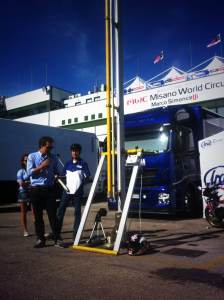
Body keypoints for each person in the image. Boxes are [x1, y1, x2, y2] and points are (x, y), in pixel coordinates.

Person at [27, 136, 62, 248]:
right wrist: (42, 166)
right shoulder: (32, 156)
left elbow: (57, 171)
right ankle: (40, 239)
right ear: (42, 146)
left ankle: (57, 238)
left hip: (49, 189)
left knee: (52, 215)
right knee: (38, 216)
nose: (50, 149)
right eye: (48, 147)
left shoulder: (53, 158)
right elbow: (29, 173)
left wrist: (57, 175)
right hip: (36, 189)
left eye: (51, 146)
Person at [57, 143, 90, 241]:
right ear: (71, 152)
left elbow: (87, 176)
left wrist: (80, 184)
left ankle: (76, 235)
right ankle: (57, 233)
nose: (74, 152)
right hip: (66, 192)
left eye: (76, 151)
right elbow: (62, 176)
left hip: (78, 193)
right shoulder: (67, 163)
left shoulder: (83, 163)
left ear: (79, 152)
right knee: (61, 211)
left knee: (77, 213)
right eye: (73, 151)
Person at [17, 153, 33, 237]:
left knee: (36, 212)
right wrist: (29, 183)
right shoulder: (21, 171)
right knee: (24, 213)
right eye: (26, 160)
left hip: (33, 191)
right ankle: (25, 230)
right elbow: (21, 183)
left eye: (29, 160)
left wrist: (27, 182)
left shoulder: (33, 169)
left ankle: (39, 230)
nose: (27, 161)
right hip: (23, 193)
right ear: (23, 162)